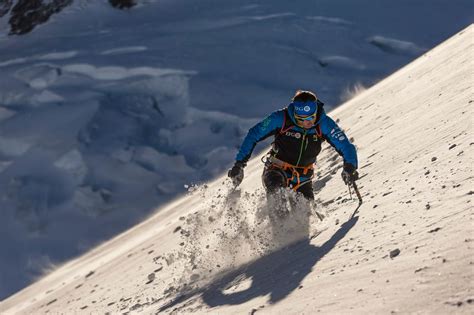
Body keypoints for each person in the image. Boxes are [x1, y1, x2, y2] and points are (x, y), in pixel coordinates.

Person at [228, 90, 359, 206]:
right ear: (295, 114)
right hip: (276, 169)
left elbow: (345, 146)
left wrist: (350, 166)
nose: (307, 123)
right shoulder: (280, 118)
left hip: (303, 178)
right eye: (301, 119)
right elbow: (253, 134)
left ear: (316, 113)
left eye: (311, 118)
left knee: (304, 217)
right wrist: (239, 164)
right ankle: (276, 230)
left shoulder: (325, 124)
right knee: (276, 197)